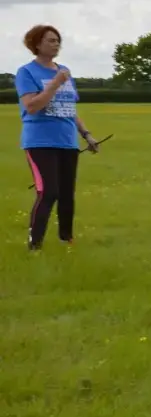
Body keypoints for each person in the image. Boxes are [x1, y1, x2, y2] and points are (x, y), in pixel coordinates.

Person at [15, 24, 101, 250]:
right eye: (50, 40)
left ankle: (66, 239)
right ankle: (35, 244)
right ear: (36, 44)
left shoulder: (64, 71)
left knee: (66, 194)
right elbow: (32, 106)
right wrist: (54, 84)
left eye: (57, 40)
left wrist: (87, 135)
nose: (56, 44)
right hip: (40, 141)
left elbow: (69, 109)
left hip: (67, 141)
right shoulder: (27, 72)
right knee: (48, 191)